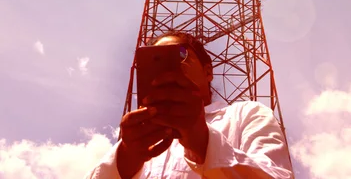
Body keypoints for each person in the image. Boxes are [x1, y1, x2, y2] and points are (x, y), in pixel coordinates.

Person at [85, 30, 293, 179]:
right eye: (155, 59)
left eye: (181, 54)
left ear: (208, 72)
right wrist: (125, 160)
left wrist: (203, 143)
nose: (170, 67)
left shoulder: (246, 115)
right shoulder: (137, 138)